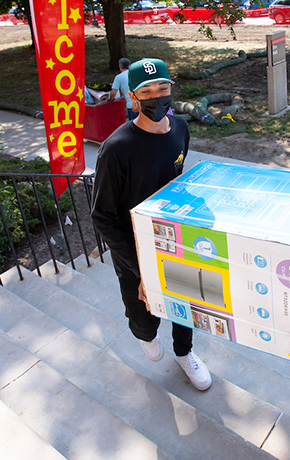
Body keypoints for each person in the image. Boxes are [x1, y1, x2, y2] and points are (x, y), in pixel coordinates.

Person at [91, 58, 212, 391]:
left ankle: (184, 352)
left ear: (171, 88)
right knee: (143, 312)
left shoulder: (181, 130)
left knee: (184, 303)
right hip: (134, 248)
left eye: (163, 88)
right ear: (133, 98)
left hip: (174, 237)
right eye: (147, 91)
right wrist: (140, 268)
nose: (157, 97)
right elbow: (101, 215)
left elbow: (175, 178)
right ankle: (144, 335)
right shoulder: (116, 150)